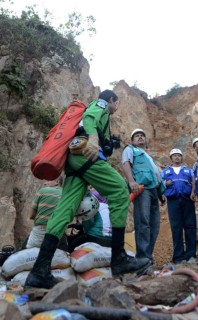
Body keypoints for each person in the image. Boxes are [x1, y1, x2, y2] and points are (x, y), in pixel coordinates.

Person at [25, 90, 152, 289]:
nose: (116, 108)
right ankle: (119, 259)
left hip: (74, 160)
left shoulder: (105, 122)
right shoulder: (101, 104)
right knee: (119, 191)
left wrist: (107, 143)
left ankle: (39, 271)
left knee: (65, 210)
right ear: (111, 100)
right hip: (85, 153)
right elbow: (90, 117)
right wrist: (93, 138)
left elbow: (101, 141)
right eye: (116, 104)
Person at [121, 128, 165, 265]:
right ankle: (142, 258)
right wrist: (131, 181)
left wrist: (161, 193)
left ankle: (148, 257)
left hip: (154, 191)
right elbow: (126, 163)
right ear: (133, 140)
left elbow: (157, 176)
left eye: (142, 136)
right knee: (143, 222)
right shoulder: (130, 150)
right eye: (137, 136)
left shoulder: (149, 157)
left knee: (155, 225)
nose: (140, 137)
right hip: (142, 189)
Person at [160, 148, 198, 264]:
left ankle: (191, 254)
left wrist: (193, 192)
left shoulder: (188, 170)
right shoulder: (165, 171)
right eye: (175, 155)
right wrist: (164, 185)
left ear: (182, 158)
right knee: (176, 228)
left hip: (187, 200)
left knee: (190, 226)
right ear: (171, 158)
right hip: (173, 201)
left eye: (179, 155)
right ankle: (178, 257)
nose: (177, 157)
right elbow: (159, 183)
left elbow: (193, 182)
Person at [27, 175, 68, 250]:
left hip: (41, 230)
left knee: (29, 253)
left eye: (48, 180)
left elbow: (31, 215)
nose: (45, 183)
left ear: (57, 182)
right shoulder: (66, 195)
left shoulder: (43, 191)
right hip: (59, 232)